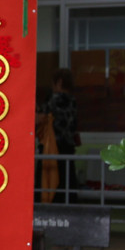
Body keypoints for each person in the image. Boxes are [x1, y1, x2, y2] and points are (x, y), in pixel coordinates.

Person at [45, 68, 80, 203]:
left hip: (54, 146)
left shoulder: (54, 100)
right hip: (69, 145)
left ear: (59, 83)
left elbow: (42, 117)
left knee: (54, 181)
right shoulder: (73, 101)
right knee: (69, 179)